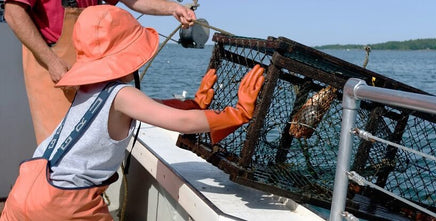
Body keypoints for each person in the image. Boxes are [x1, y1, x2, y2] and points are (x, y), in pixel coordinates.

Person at [0, 5, 264, 220]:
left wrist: (194, 103)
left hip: (25, 192)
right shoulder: (121, 95)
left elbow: (149, 109)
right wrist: (236, 113)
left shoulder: (85, 91)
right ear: (127, 56)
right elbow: (179, 121)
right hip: (65, 204)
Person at [3, 0, 196, 144]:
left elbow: (135, 0)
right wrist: (51, 62)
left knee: (95, 138)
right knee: (58, 143)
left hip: (93, 65)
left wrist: (173, 8)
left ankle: (90, 196)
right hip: (51, 63)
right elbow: (13, 12)